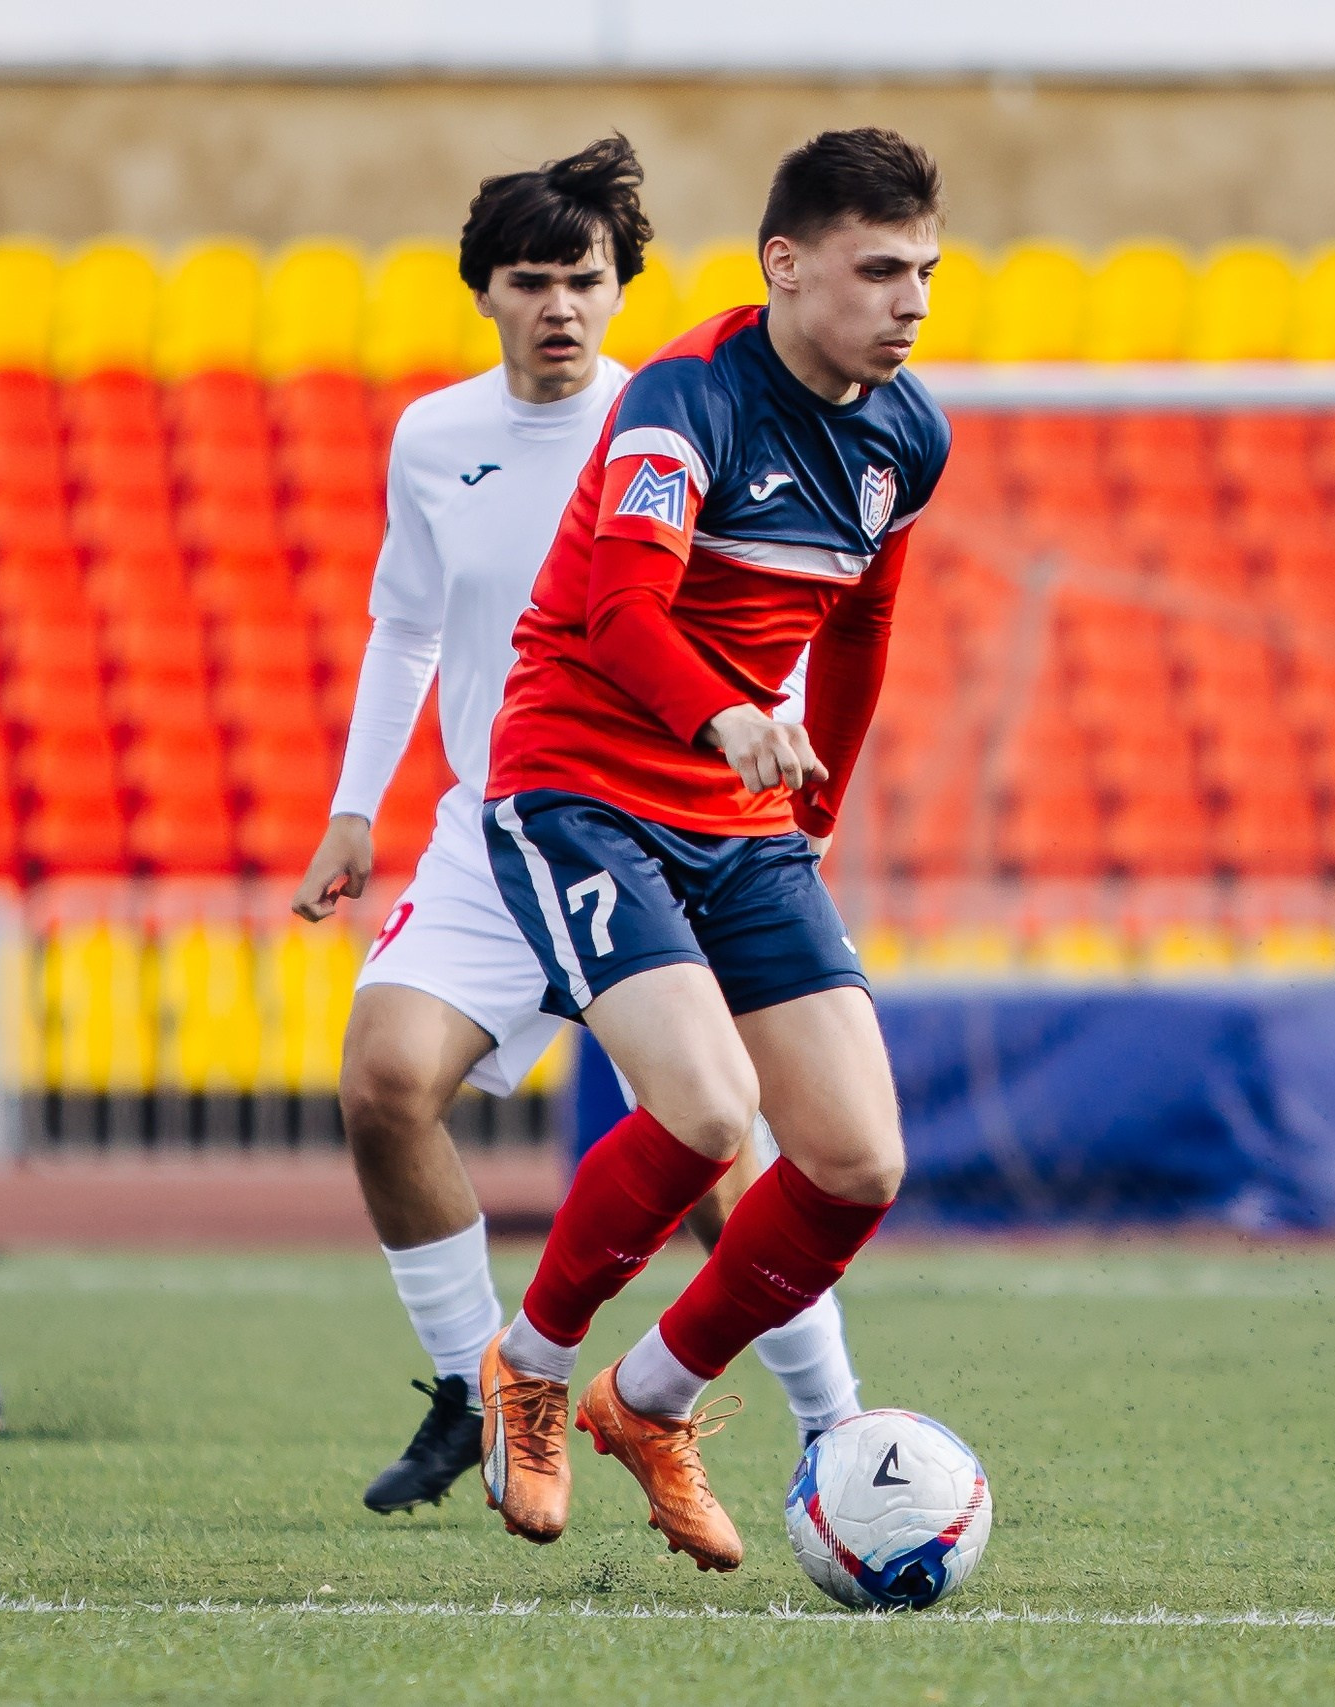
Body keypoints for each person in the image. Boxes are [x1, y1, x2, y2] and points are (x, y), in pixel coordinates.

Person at [290, 138, 864, 1516]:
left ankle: (834, 1429)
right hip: (498, 825)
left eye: (584, 279)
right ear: (485, 292)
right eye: (530, 280)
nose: (559, 305)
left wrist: (776, 759)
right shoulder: (432, 438)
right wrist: (355, 807)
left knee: (717, 1142)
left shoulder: (676, 417)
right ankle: (473, 1390)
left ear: (619, 288)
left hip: (663, 825)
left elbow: (769, 617)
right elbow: (407, 628)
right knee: (381, 1083)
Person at [473, 127, 949, 1572]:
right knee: (703, 1108)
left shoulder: (908, 433)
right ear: (785, 265)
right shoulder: (686, 399)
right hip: (582, 786)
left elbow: (861, 629)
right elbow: (619, 614)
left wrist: (821, 802)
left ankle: (651, 1398)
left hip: (741, 817)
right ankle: (529, 1364)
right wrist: (730, 715)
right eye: (879, 270)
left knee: (856, 1160)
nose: (910, 302)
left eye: (926, 272)